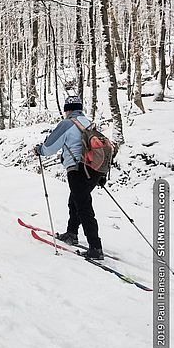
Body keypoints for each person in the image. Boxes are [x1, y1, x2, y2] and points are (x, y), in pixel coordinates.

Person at [34, 95, 105, 260]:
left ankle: (95, 247)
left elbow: (50, 147)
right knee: (76, 201)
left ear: (68, 110)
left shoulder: (67, 124)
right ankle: (71, 233)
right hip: (94, 170)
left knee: (83, 206)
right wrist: (100, 174)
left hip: (78, 169)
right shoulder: (89, 124)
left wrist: (40, 150)